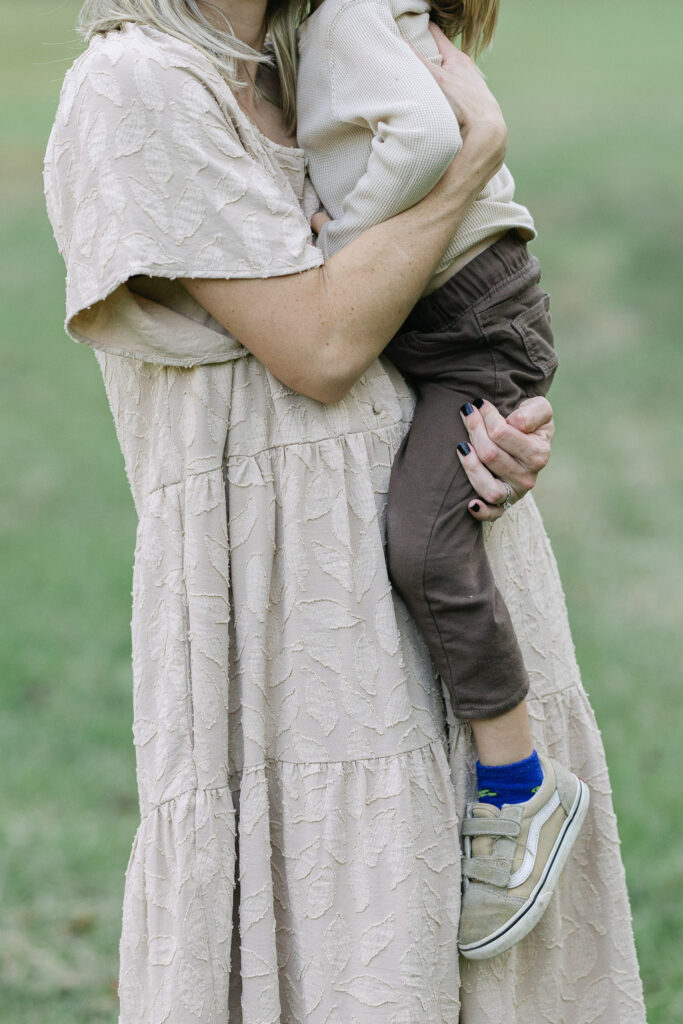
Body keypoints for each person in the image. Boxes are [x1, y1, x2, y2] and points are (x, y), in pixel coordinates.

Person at [43, 0, 646, 1020]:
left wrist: (498, 430)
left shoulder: (314, 49)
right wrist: (470, 153)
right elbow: (319, 349)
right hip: (285, 612)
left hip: (432, 566)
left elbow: (436, 311)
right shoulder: (135, 85)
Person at [296, 0, 590, 958]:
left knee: (425, 541)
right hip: (456, 302)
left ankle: (520, 786)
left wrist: (342, 239)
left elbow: (426, 140)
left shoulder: (343, 9)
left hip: (464, 314)